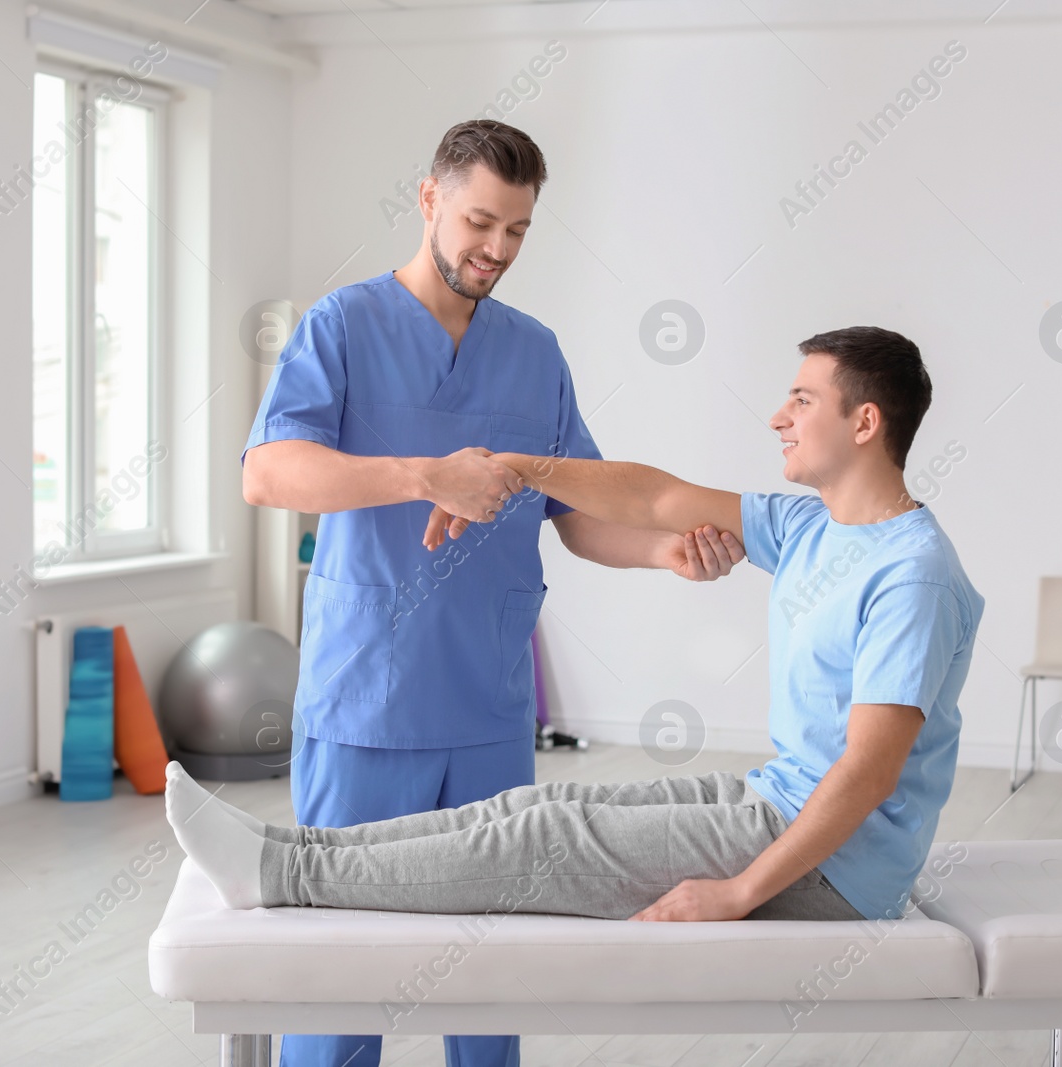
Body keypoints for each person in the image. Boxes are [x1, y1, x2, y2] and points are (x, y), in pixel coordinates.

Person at [181, 325, 985, 927]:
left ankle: (281, 874)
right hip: (776, 800)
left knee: (541, 843)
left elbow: (869, 773)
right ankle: (282, 855)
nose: (778, 414)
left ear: (865, 422)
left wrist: (737, 894)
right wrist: (522, 468)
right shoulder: (814, 528)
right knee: (520, 816)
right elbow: (657, 499)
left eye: (803, 400)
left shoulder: (911, 574)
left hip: (837, 868)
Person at [238, 119, 741, 1067]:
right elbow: (269, 473)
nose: (496, 250)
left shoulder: (534, 353)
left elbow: (578, 509)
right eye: (479, 221)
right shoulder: (343, 326)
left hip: (488, 709)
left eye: (516, 231)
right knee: (347, 972)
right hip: (367, 706)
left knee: (490, 971)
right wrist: (427, 476)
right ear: (428, 199)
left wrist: (664, 551)